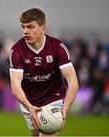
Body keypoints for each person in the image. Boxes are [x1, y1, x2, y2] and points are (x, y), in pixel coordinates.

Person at [9, 8, 79, 136]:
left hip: (54, 98)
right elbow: (15, 85)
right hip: (29, 101)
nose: (25, 31)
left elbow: (72, 80)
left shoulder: (57, 47)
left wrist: (65, 109)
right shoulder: (17, 50)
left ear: (42, 28)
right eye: (23, 27)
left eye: (30, 27)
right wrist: (29, 106)